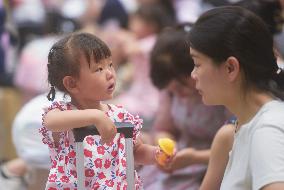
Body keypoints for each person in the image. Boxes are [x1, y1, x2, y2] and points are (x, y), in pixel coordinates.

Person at [40, 32, 166, 189]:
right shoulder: (64, 114)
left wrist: (156, 154)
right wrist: (95, 116)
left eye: (110, 65)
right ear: (72, 83)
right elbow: (50, 122)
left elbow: (136, 151)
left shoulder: (119, 115)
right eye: (99, 68)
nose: (110, 73)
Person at [188, 6, 284, 190]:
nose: (193, 74)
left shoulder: (267, 129)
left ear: (231, 68)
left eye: (197, 64)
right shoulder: (248, 123)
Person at [138, 24, 231, 189]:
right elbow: (163, 128)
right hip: (179, 160)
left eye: (181, 86)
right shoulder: (171, 91)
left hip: (216, 165)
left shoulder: (220, 94)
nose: (178, 94)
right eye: (172, 89)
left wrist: (195, 158)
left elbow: (236, 148)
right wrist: (167, 148)